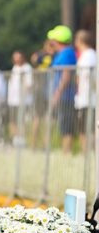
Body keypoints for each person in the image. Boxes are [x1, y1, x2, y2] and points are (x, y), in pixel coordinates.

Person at [47, 25, 77, 153]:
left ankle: (67, 152)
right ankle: (64, 151)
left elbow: (66, 75)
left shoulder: (67, 54)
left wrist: (57, 94)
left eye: (52, 39)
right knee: (62, 125)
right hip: (62, 95)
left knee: (66, 126)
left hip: (65, 96)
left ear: (57, 40)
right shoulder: (62, 53)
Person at [73, 29, 96, 152]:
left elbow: (87, 77)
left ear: (80, 41)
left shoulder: (89, 55)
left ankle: (88, 153)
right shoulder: (88, 55)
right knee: (83, 129)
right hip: (84, 99)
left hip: (88, 99)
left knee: (87, 130)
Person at [7, 51, 33, 145]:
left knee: (22, 121)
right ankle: (15, 139)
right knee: (13, 120)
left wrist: (23, 95)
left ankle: (22, 140)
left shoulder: (27, 68)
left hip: (23, 100)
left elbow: (29, 84)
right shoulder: (15, 68)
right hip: (13, 100)